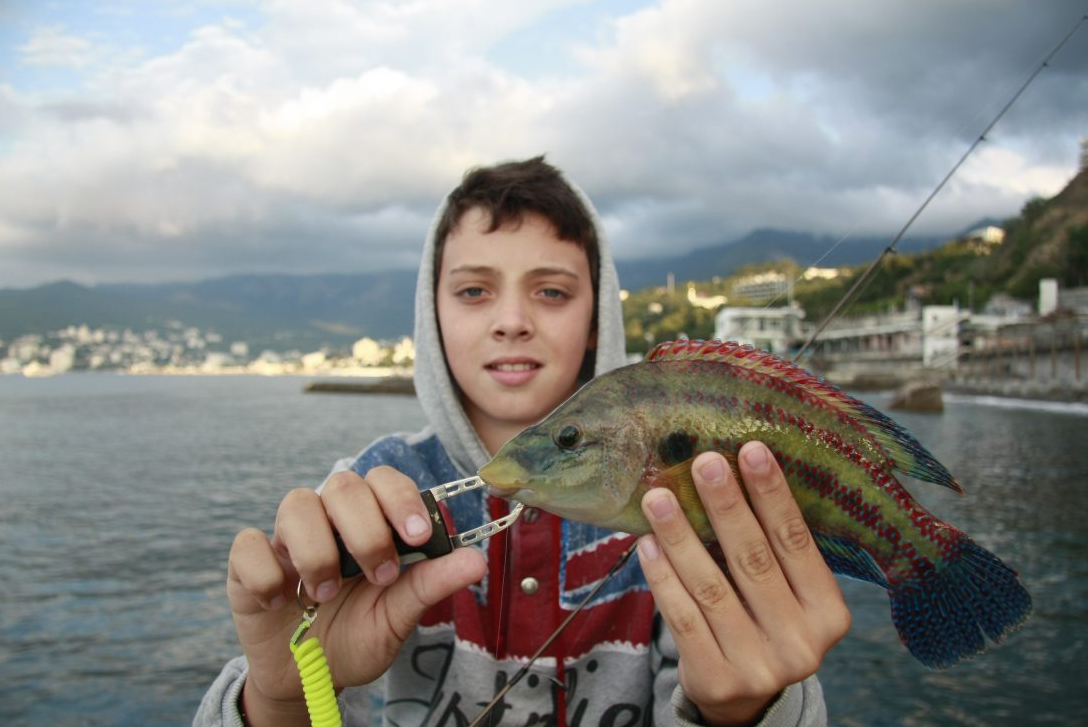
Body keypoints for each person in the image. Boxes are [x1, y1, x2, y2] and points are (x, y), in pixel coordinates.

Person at [194, 156, 851, 727]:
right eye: (475, 290)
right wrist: (281, 697)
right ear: (432, 314)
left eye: (553, 291)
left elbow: (749, 688)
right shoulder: (371, 492)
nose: (512, 321)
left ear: (598, 317)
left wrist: (745, 709)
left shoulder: (690, 488)